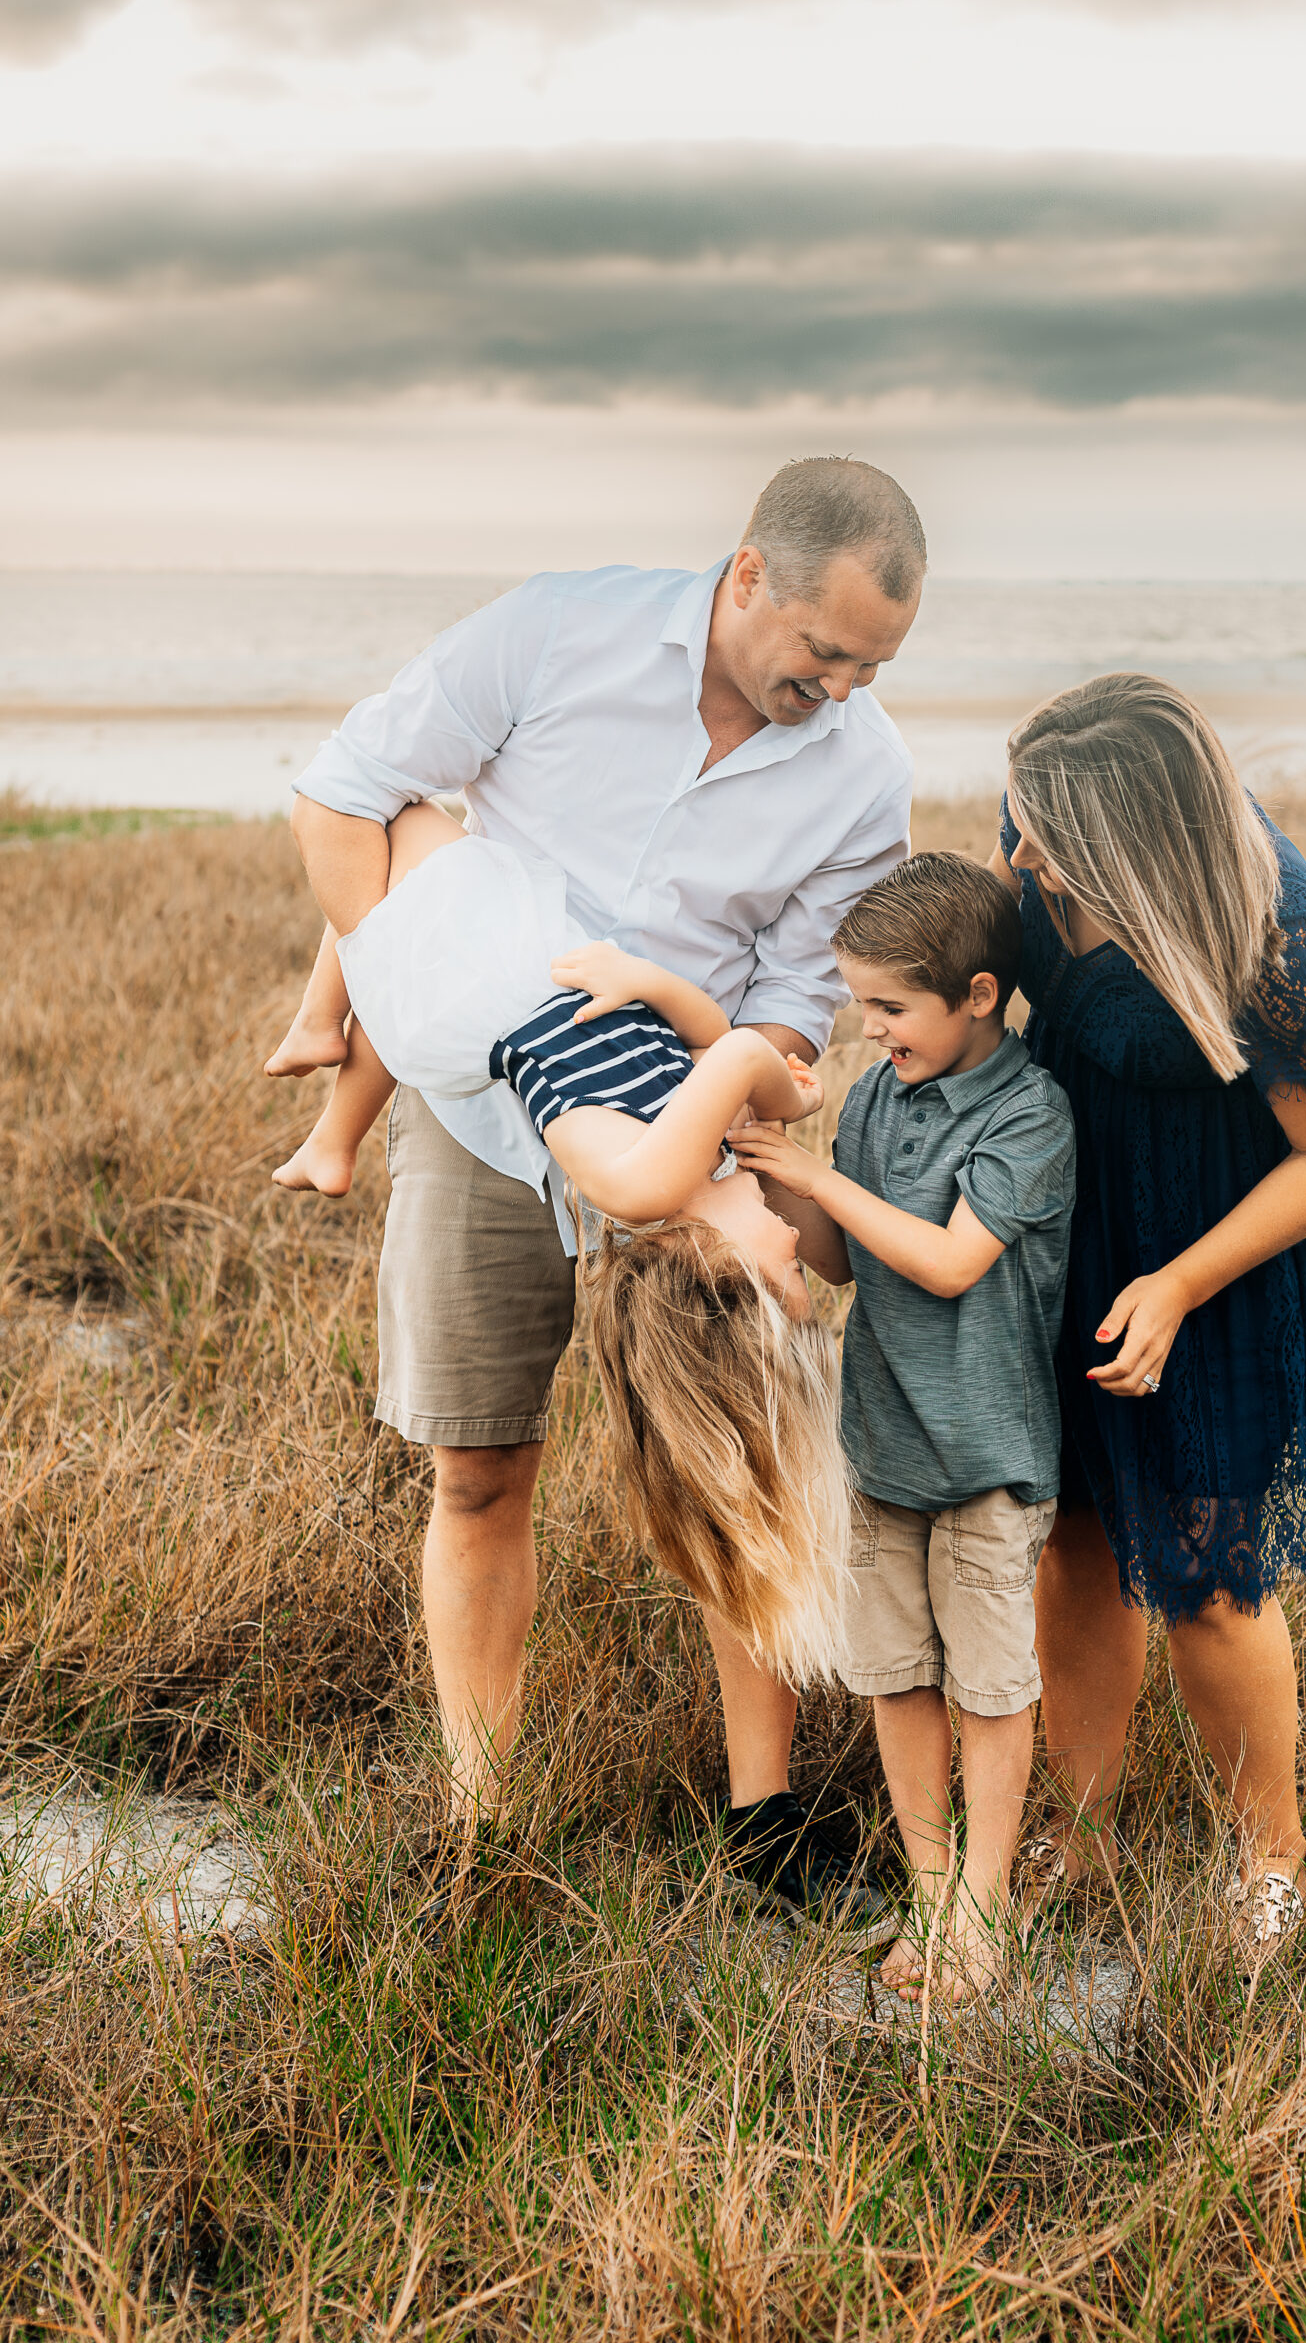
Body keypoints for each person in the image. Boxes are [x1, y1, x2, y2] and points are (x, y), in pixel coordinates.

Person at [274, 457, 921, 1939]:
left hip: (696, 1125)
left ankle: (763, 1820)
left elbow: (789, 1019)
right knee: (479, 1469)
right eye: (820, 651)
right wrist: (428, 980)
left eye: (871, 666)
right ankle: (478, 1817)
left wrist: (708, 1148)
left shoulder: (863, 772)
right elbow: (343, 794)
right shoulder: (556, 632)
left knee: (734, 1466)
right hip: (483, 1116)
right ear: (747, 572)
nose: (837, 686)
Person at [269, 794, 851, 1691]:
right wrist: (648, 984)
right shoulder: (694, 1168)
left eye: (785, 1266)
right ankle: (329, 1126)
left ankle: (321, 1039)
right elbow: (708, 1036)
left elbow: (736, 1057)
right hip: (558, 980)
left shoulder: (649, 1180)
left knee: (394, 834)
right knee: (397, 867)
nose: (790, 1237)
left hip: (497, 998)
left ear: (716, 1268)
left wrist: (789, 1103)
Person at [990, 674, 1306, 1967]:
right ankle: (1080, 1824)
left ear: (1142, 840)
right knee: (1076, 1543)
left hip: (1212, 1263)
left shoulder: (1278, 931)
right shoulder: (1033, 836)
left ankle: (1271, 1851)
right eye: (1022, 816)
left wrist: (1176, 1286)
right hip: (1072, 1235)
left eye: (1049, 833)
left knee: (1209, 1577)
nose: (1022, 850)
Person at [735, 853, 1076, 2001]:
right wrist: (773, 1172)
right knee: (896, 1675)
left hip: (987, 1454)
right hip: (878, 1441)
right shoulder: (879, 1095)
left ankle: (981, 1908)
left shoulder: (1030, 1113)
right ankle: (929, 1891)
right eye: (856, 1002)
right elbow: (840, 1262)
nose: (866, 1028)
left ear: (976, 994)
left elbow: (941, 1263)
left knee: (987, 1685)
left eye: (889, 1006)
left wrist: (816, 1181)